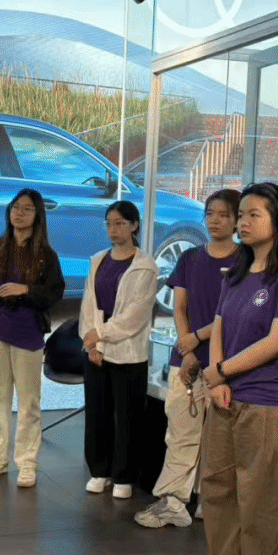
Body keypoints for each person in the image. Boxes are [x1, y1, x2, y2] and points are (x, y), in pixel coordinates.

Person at [195, 182, 278, 555]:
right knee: (219, 484)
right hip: (228, 392)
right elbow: (220, 325)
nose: (242, 222)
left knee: (265, 496)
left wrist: (223, 370)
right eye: (240, 214)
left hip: (272, 398)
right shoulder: (238, 271)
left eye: (253, 215)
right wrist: (216, 378)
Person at [136, 189, 240, 528]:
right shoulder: (190, 258)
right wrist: (189, 349)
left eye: (224, 215)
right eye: (210, 213)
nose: (215, 220)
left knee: (220, 439)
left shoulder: (246, 262)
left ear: (236, 221)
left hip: (226, 363)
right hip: (187, 359)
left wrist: (198, 338)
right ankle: (173, 500)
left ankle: (211, 502)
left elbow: (234, 315)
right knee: (180, 432)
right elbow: (179, 308)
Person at [0, 189, 65, 488]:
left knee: (28, 403)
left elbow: (55, 292)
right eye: (15, 207)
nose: (19, 213)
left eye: (27, 208)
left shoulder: (46, 254)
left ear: (38, 215)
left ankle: (27, 463)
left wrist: (25, 290)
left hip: (28, 334)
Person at [78, 201, 158, 499]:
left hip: (128, 351)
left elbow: (135, 315)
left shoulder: (145, 266)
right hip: (96, 349)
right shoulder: (98, 260)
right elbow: (88, 305)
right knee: (96, 413)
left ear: (134, 225)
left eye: (120, 223)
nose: (113, 229)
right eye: (109, 224)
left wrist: (101, 334)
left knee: (127, 417)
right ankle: (99, 470)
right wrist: (94, 343)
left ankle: (124, 475)